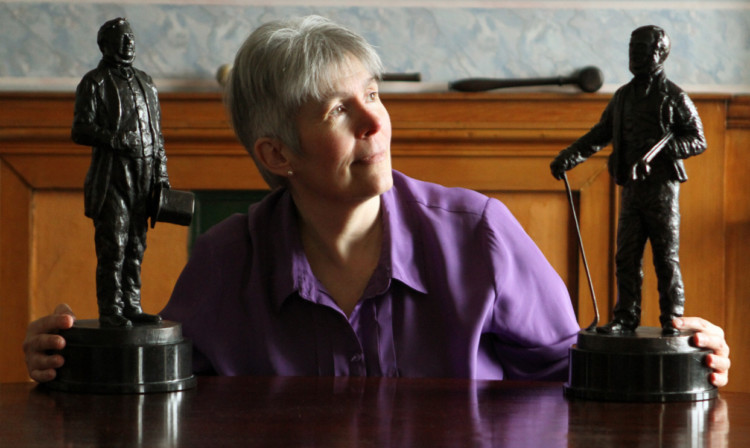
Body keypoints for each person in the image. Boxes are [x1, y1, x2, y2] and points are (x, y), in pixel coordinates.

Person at [24, 17, 730, 386]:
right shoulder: (223, 262)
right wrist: (60, 361)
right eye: (339, 110)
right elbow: (157, 396)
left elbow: (578, 379)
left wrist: (686, 354)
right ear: (277, 155)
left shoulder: (482, 233)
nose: (375, 123)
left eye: (374, 95)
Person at [551, 25, 706, 336]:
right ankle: (625, 317)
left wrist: (662, 151)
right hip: (632, 188)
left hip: (661, 189)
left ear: (660, 53)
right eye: (632, 47)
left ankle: (672, 319)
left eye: (642, 48)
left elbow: (697, 139)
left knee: (665, 257)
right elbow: (599, 135)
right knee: (626, 255)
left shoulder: (674, 96)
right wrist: (569, 156)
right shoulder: (622, 97)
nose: (634, 54)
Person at [71, 18, 169, 328]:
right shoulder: (94, 82)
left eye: (131, 37)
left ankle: (132, 304)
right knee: (113, 244)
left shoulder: (146, 82)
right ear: (104, 46)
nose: (129, 42)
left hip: (144, 175)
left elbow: (157, 135)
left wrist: (162, 176)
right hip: (113, 176)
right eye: (121, 38)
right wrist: (115, 139)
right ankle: (111, 309)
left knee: (137, 246)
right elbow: (80, 129)